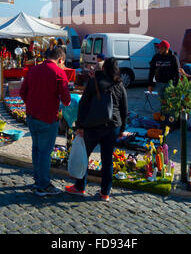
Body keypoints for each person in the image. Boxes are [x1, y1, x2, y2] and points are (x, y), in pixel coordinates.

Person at [65, 57, 128, 201]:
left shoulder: (94, 82)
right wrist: (122, 129)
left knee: (84, 155)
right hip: (113, 126)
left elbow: (83, 105)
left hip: (93, 126)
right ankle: (105, 193)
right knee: (107, 160)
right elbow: (124, 110)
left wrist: (80, 125)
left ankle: (80, 187)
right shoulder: (120, 85)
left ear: (103, 68)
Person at [20, 46, 71, 196]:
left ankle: (38, 180)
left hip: (31, 116)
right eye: (63, 62)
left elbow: (23, 92)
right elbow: (67, 100)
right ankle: (43, 185)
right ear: (60, 60)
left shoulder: (34, 69)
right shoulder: (59, 72)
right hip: (47, 118)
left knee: (36, 149)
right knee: (44, 152)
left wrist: (32, 103)